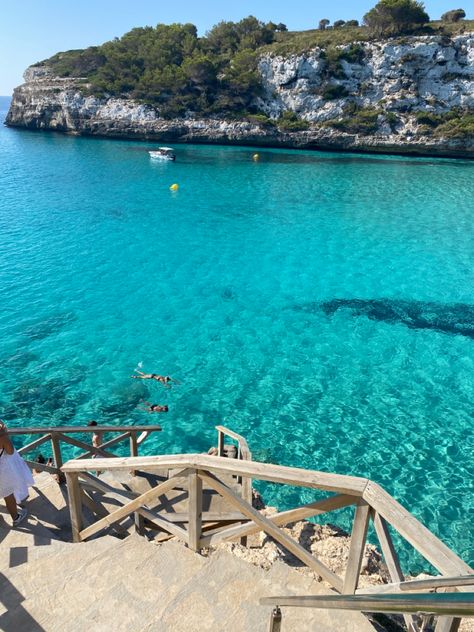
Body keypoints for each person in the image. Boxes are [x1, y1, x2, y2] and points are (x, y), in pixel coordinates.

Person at [0, 421, 34, 527]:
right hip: (2, 471)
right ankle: (16, 518)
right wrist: (4, 433)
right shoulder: (2, 437)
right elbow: (10, 451)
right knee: (8, 495)